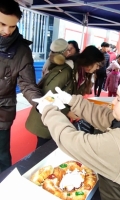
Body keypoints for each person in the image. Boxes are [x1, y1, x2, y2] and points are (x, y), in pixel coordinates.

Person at [37, 59, 120, 199]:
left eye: (119, 100)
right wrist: (72, 100)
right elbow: (104, 116)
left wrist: (48, 110)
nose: (113, 102)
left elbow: (72, 141)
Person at [25, 44, 104, 148]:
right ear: (90, 61)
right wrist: (67, 112)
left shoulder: (81, 74)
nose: (98, 68)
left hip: (56, 118)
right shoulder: (66, 71)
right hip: (45, 117)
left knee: (51, 148)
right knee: (42, 151)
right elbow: (47, 96)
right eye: (97, 64)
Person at [0, 0, 43, 173]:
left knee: (2, 156)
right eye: (2, 24)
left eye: (12, 26)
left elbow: (27, 85)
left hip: (2, 112)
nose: (7, 31)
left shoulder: (22, 50)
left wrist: (42, 103)